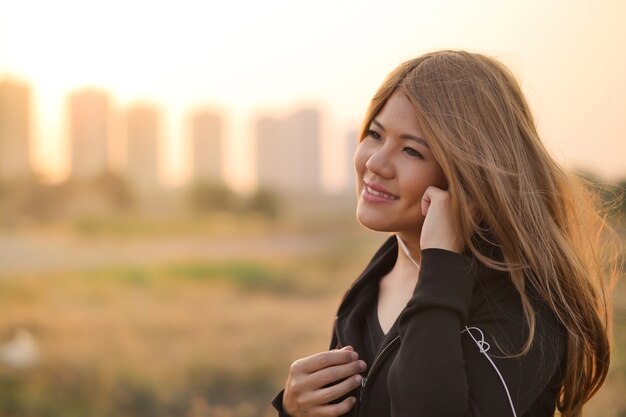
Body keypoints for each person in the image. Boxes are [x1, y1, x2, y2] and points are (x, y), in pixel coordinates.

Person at [271, 50, 616, 417]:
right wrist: (295, 410)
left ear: (467, 173)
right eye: (375, 134)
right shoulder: (375, 279)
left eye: (411, 151)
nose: (374, 162)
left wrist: (441, 267)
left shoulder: (524, 303)